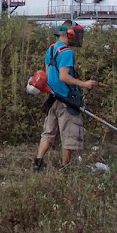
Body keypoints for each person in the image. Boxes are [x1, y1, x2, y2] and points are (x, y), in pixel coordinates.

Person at [33, 20, 97, 171]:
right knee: (69, 135)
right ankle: (65, 169)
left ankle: (38, 163)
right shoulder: (67, 52)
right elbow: (64, 77)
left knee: (48, 132)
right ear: (70, 34)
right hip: (66, 101)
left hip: (52, 98)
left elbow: (48, 74)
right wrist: (85, 84)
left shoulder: (51, 49)